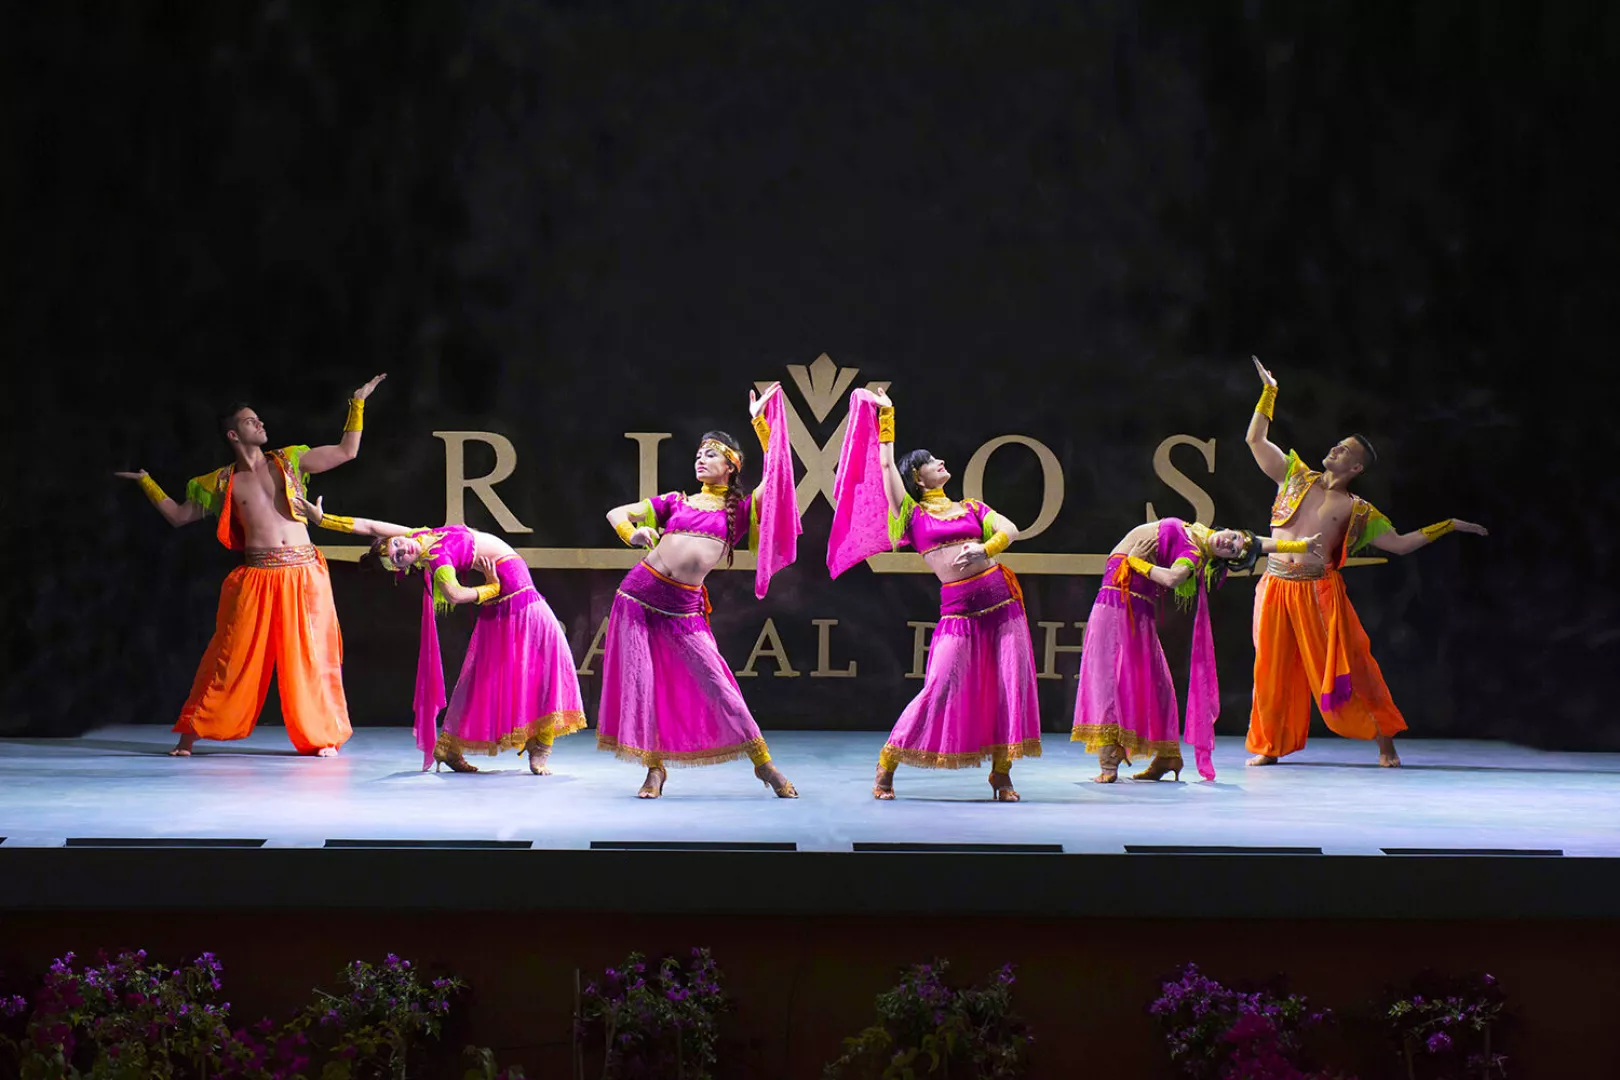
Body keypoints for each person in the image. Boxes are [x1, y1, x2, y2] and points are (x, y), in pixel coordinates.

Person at [114, 374, 386, 756]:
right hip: (257, 576)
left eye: (258, 418)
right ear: (233, 435)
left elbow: (346, 451)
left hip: (304, 573)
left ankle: (323, 736)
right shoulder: (221, 482)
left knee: (311, 656)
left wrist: (357, 403)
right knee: (230, 656)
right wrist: (147, 483)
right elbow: (177, 515)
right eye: (249, 421)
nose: (259, 423)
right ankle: (191, 733)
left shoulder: (290, 461)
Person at [1243, 356, 1488, 767]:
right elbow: (1255, 440)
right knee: (1270, 670)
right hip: (1273, 587)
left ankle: (1384, 739)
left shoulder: (1358, 510)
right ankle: (1270, 745)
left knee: (1349, 667)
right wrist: (1269, 392)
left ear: (1355, 467)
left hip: (1317, 593)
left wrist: (1447, 526)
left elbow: (1401, 545)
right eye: (1337, 444)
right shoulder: (1294, 476)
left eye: (1345, 450)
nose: (1335, 448)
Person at [827, 387, 1041, 801]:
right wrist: (886, 418)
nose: (940, 462)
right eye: (930, 461)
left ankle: (1001, 774)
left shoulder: (972, 508)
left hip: (1003, 605)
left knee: (1008, 687)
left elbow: (1010, 529)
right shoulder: (911, 515)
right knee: (940, 687)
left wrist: (986, 548)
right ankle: (888, 760)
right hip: (959, 613)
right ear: (917, 477)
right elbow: (885, 464)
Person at [598, 382, 802, 798]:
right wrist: (632, 534)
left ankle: (764, 765)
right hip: (637, 598)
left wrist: (761, 424)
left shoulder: (741, 510)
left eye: (710, 454)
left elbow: (779, 476)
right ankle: (654, 770)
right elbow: (616, 512)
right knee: (644, 687)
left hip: (683, 610)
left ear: (731, 466)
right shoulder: (676, 501)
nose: (700, 459)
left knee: (720, 686)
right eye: (698, 454)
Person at [295, 496, 587, 774]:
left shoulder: (422, 536)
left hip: (513, 594)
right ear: (405, 567)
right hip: (515, 592)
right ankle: (538, 745)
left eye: (396, 544)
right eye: (398, 558)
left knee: (499, 675)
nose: (401, 549)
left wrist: (323, 520)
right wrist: (491, 587)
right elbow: (454, 594)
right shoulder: (437, 557)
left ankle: (457, 747)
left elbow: (370, 526)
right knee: (547, 658)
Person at [1070, 518, 1321, 782]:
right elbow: (1255, 542)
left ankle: (1109, 761)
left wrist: (1136, 562)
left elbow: (1173, 578)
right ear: (1229, 530)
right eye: (1234, 537)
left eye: (1232, 550)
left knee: (1105, 674)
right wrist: (1299, 545)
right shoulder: (1199, 534)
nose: (1229, 543)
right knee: (1151, 677)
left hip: (1119, 600)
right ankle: (1167, 755)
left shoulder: (1193, 553)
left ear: (1223, 559)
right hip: (1129, 601)